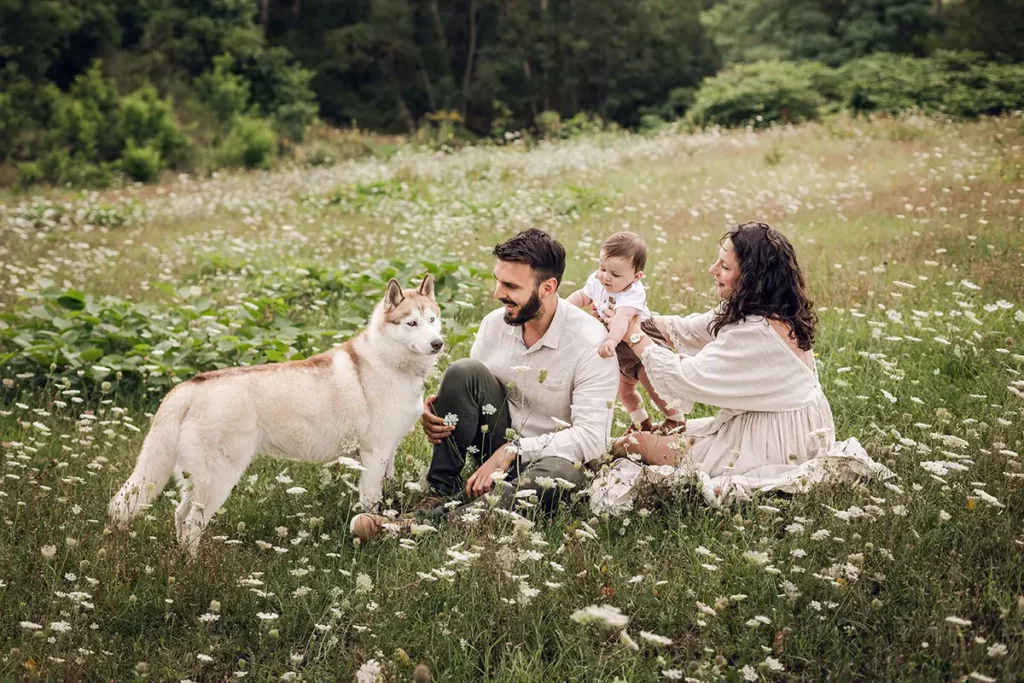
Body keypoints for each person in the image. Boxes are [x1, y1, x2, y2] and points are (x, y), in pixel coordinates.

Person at [589, 221, 887, 512]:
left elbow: (685, 380)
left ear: (751, 278)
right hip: (771, 419)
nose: (712, 271)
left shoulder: (758, 332)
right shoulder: (756, 308)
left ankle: (586, 459)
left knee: (634, 443)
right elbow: (686, 329)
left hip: (779, 439)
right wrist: (629, 316)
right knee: (661, 438)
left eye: (725, 267)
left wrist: (634, 334)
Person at [351, 228, 619, 541]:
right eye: (498, 280)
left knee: (563, 474)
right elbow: (474, 387)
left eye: (510, 285)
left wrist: (515, 449)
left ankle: (420, 526)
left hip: (549, 461)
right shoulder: (495, 323)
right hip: (493, 447)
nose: (497, 293)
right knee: (462, 370)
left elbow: (592, 438)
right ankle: (440, 491)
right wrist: (441, 410)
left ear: (547, 288)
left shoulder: (591, 344)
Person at [567, 231, 684, 434]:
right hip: (619, 347)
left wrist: (611, 340)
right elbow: (582, 296)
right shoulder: (597, 280)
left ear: (636, 277)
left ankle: (675, 419)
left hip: (638, 343)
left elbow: (622, 318)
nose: (606, 277)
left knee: (652, 386)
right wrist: (563, 310)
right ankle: (642, 423)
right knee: (625, 391)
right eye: (603, 268)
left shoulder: (634, 292)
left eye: (615, 274)